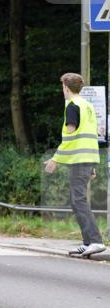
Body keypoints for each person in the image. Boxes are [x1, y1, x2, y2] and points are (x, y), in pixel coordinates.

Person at [44, 73, 105, 257]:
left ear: (66, 88)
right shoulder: (87, 106)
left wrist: (55, 159)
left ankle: (95, 241)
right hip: (86, 158)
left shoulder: (72, 107)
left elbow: (71, 137)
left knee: (78, 201)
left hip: (80, 160)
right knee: (77, 200)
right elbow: (91, 136)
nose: (62, 90)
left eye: (62, 86)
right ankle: (88, 242)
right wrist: (92, 164)